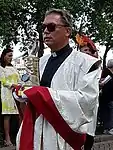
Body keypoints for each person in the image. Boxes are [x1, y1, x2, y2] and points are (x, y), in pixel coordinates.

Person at [14, 9, 101, 150]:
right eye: (43, 27)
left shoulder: (86, 63)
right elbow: (29, 89)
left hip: (62, 135)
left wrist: (42, 95)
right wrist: (20, 91)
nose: (46, 31)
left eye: (51, 27)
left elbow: (86, 100)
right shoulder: (39, 62)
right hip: (35, 131)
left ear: (67, 31)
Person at [76, 33, 100, 150]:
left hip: (90, 105)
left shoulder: (94, 65)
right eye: (83, 50)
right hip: (76, 104)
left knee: (89, 134)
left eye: (88, 50)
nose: (86, 52)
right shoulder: (74, 65)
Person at [0, 47, 20, 146]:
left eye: (12, 56)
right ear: (4, 56)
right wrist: (13, 85)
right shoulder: (1, 68)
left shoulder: (13, 67)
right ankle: (7, 139)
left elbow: (19, 79)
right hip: (6, 94)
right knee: (7, 116)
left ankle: (21, 136)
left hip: (16, 93)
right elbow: (3, 81)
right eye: (9, 56)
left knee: (19, 115)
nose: (11, 58)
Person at [99, 59, 113, 134]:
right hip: (107, 96)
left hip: (106, 96)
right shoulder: (107, 73)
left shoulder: (105, 72)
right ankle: (109, 128)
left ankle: (106, 128)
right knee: (109, 112)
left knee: (107, 112)